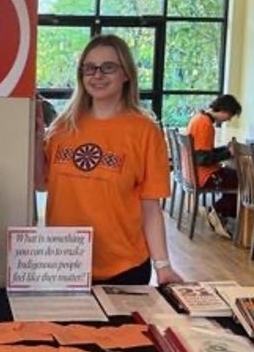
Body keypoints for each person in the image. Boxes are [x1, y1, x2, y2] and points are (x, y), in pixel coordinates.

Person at [34, 34, 182, 286]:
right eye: (89, 68)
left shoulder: (145, 130)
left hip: (124, 266)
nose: (97, 75)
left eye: (108, 67)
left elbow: (150, 206)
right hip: (64, 262)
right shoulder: (62, 127)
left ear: (126, 74)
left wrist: (163, 266)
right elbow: (41, 183)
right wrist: (37, 139)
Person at [185, 94, 242, 238]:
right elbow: (202, 158)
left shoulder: (198, 118)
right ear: (224, 110)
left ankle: (216, 212)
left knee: (232, 175)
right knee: (242, 179)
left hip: (192, 172)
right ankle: (217, 211)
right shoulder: (205, 125)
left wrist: (225, 150)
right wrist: (228, 154)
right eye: (230, 115)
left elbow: (203, 152)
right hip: (203, 175)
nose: (228, 119)